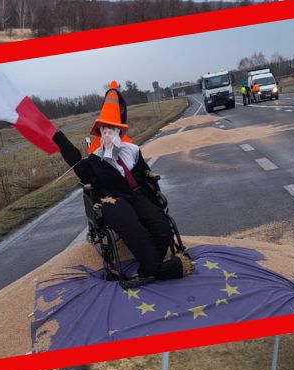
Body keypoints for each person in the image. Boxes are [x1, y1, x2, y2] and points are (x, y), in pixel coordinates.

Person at [53, 84, 192, 282]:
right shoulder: (94, 160)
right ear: (101, 135)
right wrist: (58, 138)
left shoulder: (132, 151)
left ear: (119, 132)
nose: (109, 134)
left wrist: (152, 187)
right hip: (112, 200)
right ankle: (159, 268)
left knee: (161, 225)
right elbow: (77, 163)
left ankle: (150, 268)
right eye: (105, 131)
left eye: (113, 130)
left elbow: (144, 173)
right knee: (135, 230)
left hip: (136, 195)